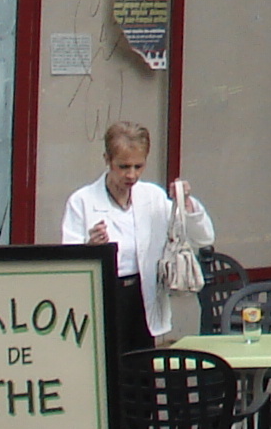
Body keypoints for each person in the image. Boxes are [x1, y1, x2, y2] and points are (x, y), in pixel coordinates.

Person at [60, 121, 213, 350]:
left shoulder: (152, 196)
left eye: (138, 166)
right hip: (106, 295)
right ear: (107, 160)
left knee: (142, 372)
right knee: (108, 368)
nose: (131, 175)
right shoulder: (82, 201)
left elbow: (203, 237)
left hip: (142, 295)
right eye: (123, 167)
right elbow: (68, 262)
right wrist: (90, 247)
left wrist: (186, 203)